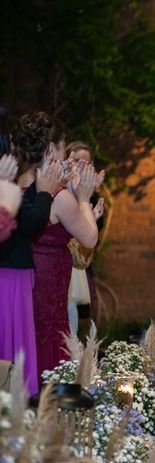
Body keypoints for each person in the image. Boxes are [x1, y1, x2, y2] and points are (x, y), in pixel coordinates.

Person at [13, 112, 100, 378]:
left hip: (23, 283)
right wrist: (84, 199)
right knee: (48, 348)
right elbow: (89, 238)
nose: (63, 155)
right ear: (51, 149)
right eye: (62, 148)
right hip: (49, 288)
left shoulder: (16, 184)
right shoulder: (58, 197)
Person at [0, 150, 66, 394]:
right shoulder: (11, 189)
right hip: (10, 275)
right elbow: (29, 223)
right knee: (11, 345)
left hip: (18, 273)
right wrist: (45, 192)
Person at [64, 141, 105, 335]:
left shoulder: (87, 190)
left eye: (88, 162)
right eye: (79, 160)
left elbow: (95, 231)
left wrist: (92, 193)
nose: (83, 165)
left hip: (79, 259)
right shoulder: (62, 185)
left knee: (73, 315)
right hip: (63, 258)